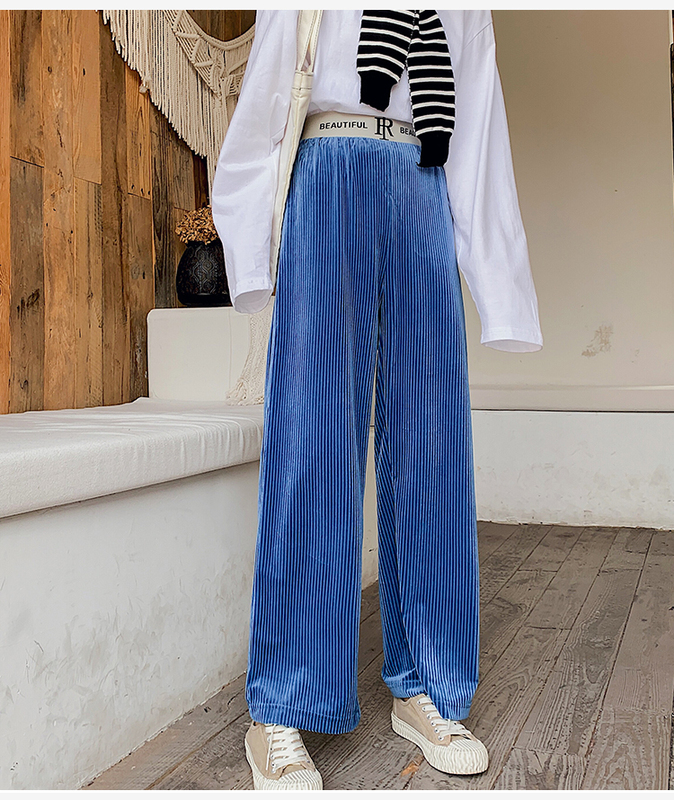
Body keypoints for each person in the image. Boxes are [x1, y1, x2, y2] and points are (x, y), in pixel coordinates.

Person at [211, 10, 543, 791]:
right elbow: (268, 95)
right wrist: (250, 254)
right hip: (326, 170)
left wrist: (500, 291)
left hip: (425, 176)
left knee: (432, 445)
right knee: (313, 439)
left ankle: (427, 684)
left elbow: (477, 118)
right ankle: (279, 706)